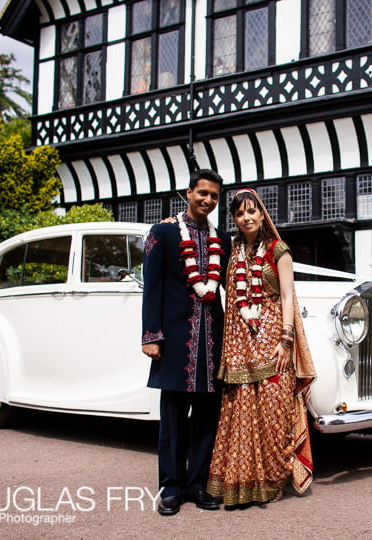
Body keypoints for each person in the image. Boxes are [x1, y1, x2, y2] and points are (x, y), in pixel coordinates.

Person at [206, 188, 316, 507]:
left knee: (273, 412)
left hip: (273, 346)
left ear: (262, 213)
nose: (246, 218)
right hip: (241, 346)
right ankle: (240, 485)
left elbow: (287, 298)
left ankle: (270, 482)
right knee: (239, 413)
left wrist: (286, 341)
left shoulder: (278, 250)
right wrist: (175, 222)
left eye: (251, 211)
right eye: (240, 214)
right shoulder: (232, 249)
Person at [141, 169, 231, 515]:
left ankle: (198, 484)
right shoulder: (162, 233)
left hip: (212, 342)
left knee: (208, 417)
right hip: (175, 341)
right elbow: (152, 287)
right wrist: (152, 336)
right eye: (202, 193)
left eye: (214, 196)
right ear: (188, 192)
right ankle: (171, 488)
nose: (208, 200)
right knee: (174, 417)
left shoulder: (222, 240)